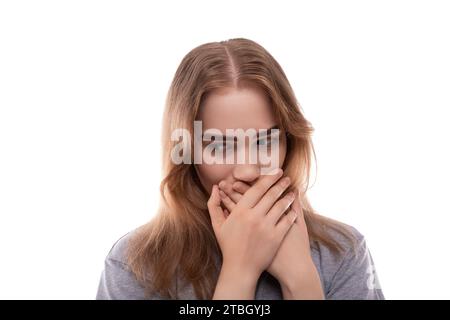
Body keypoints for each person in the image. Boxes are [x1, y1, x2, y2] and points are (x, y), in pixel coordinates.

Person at [96, 38, 384, 300]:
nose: (247, 171)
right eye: (220, 146)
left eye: (265, 141)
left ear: (290, 141)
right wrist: (239, 273)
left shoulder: (343, 252)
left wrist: (301, 280)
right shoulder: (134, 266)